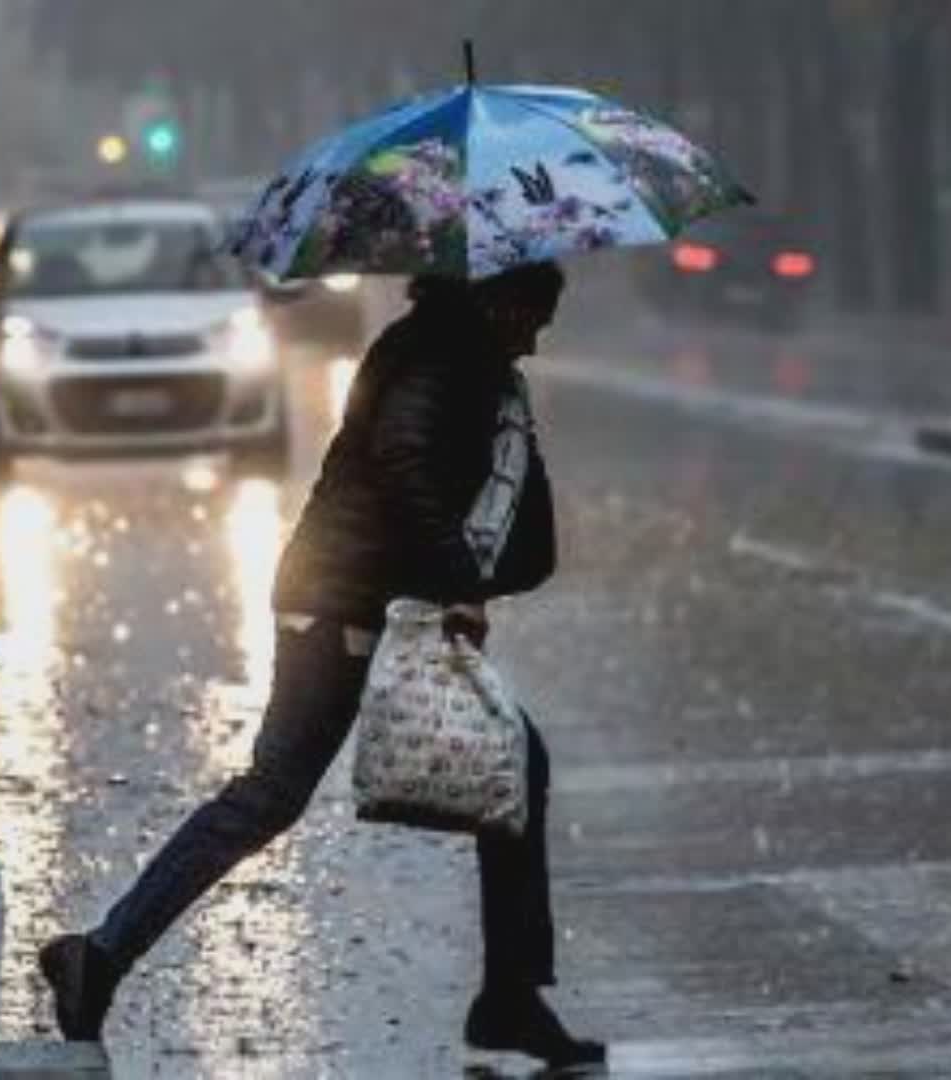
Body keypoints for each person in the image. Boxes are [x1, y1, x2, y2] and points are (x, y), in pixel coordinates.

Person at [37, 261, 606, 1069]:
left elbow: (493, 507)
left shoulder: (468, 361)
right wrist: (457, 584)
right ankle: (98, 955)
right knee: (272, 791)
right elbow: (405, 464)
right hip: (338, 603)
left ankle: (511, 995)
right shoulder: (434, 356)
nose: (537, 338)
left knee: (516, 763)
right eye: (531, 316)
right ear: (495, 297)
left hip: (357, 597)